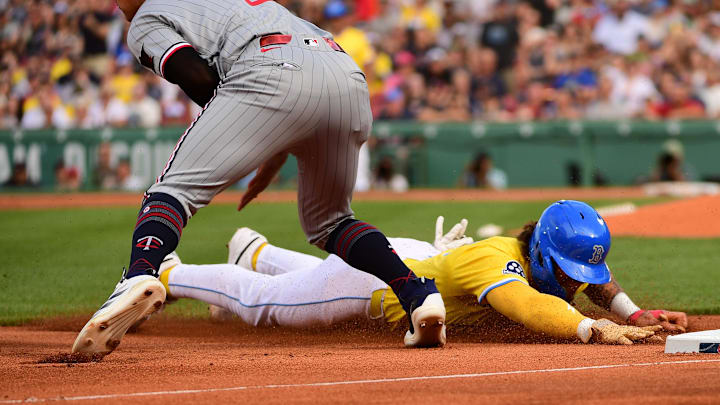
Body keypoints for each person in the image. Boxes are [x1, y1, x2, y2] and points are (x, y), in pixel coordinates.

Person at [73, 0, 445, 355]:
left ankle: (138, 274)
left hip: (270, 69)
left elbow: (197, 78)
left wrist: (253, 129)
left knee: (173, 190)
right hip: (345, 75)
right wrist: (267, 138)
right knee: (330, 222)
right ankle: (416, 293)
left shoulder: (146, 17)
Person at [157, 201, 687, 344]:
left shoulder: (542, 257)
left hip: (414, 258)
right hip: (374, 284)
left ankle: (252, 249)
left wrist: (632, 311)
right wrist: (591, 327)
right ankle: (166, 274)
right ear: (544, 254)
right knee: (264, 305)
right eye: (569, 274)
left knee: (297, 282)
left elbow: (599, 280)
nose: (577, 286)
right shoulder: (495, 260)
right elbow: (528, 306)